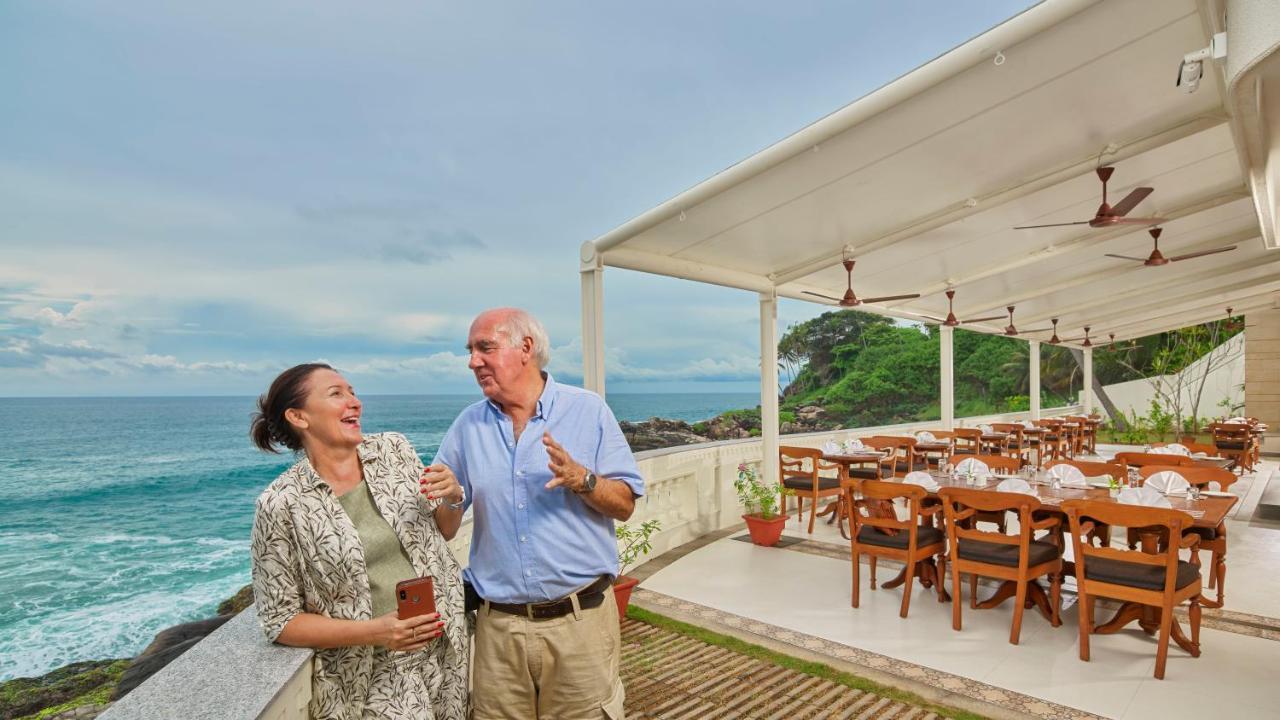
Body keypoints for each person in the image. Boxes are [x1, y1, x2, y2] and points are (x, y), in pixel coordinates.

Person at [430, 307, 644, 720]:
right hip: (499, 632)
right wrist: (453, 496)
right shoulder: (467, 425)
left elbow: (626, 505)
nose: (473, 361)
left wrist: (583, 479)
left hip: (580, 627)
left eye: (484, 347)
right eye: (471, 350)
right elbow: (445, 526)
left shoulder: (588, 410)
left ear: (525, 347)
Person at [248, 363, 469, 720]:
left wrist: (453, 497)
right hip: (374, 673)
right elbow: (280, 621)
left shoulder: (394, 450)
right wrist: (376, 632)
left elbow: (442, 531)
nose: (355, 402)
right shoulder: (281, 504)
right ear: (298, 416)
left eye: (352, 392)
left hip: (447, 643)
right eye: (337, 393)